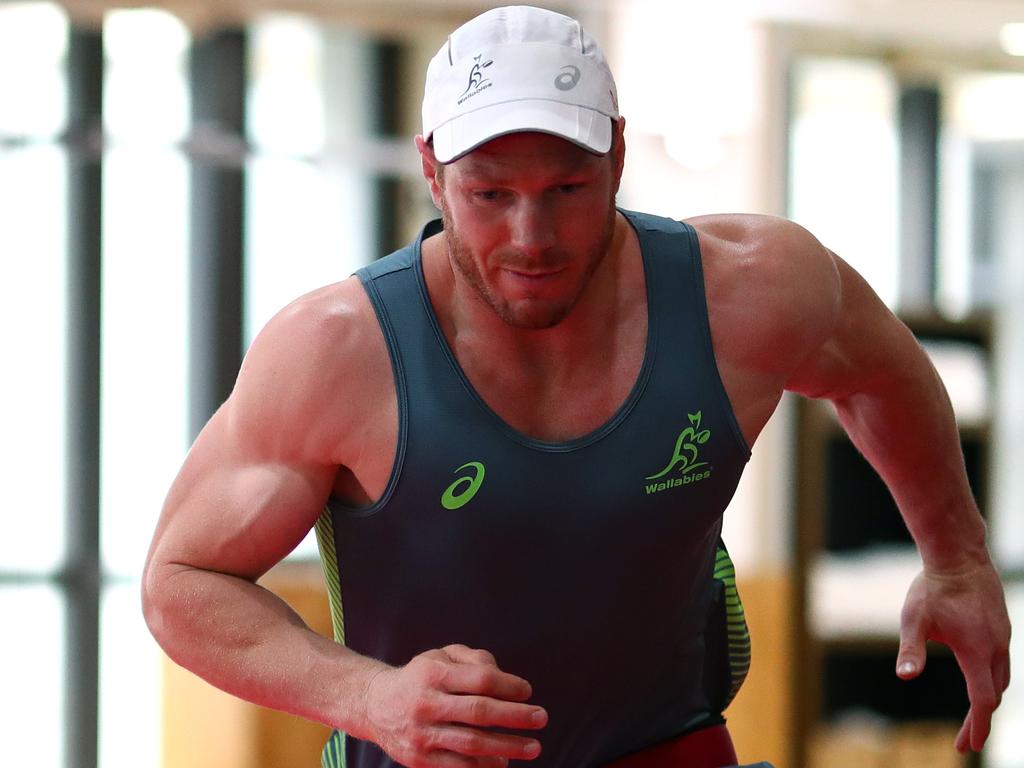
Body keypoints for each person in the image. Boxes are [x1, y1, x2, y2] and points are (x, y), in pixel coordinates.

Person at [142, 5, 1011, 768]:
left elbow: (884, 372)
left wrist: (959, 560)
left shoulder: (749, 289)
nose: (533, 237)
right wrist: (365, 698)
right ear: (432, 171)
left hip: (671, 750)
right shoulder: (337, 351)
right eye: (490, 195)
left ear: (619, 152)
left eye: (567, 188)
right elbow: (182, 581)